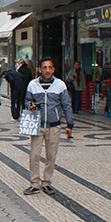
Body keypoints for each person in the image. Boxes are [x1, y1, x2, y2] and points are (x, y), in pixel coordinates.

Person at [24, 57, 74, 196]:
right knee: (34, 155)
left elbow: (66, 105)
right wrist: (30, 105)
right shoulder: (32, 84)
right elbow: (27, 101)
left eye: (50, 68)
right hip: (37, 125)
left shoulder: (60, 85)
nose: (47, 70)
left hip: (54, 126)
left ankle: (46, 182)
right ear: (40, 69)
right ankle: (35, 183)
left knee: (51, 156)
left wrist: (70, 124)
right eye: (44, 68)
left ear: (53, 69)